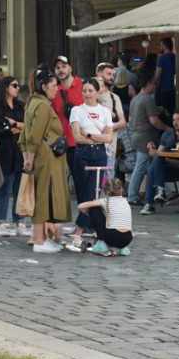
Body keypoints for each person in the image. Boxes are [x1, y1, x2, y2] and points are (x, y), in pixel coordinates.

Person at [21, 68, 72, 254]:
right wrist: (30, 157)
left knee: (42, 196)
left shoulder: (33, 103)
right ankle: (39, 240)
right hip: (46, 157)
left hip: (43, 156)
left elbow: (27, 134)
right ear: (43, 86)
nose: (56, 89)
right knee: (43, 197)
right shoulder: (42, 106)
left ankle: (41, 238)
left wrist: (27, 156)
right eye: (52, 86)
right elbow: (34, 135)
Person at [66, 78, 114, 251]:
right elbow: (77, 136)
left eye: (90, 90)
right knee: (83, 192)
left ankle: (78, 233)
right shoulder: (76, 110)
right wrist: (95, 136)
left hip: (99, 153)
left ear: (97, 92)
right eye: (84, 90)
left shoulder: (105, 111)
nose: (87, 94)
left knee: (92, 194)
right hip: (82, 153)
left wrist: (91, 136)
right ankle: (92, 228)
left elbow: (109, 137)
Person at [127, 71, 171, 215]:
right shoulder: (147, 99)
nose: (155, 86)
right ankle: (133, 196)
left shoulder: (136, 98)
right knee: (141, 167)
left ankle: (148, 193)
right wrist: (167, 128)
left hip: (134, 134)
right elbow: (154, 120)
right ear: (148, 84)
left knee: (147, 167)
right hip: (145, 137)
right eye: (154, 83)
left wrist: (158, 109)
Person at [0, 75, 26, 237]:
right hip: (4, 152)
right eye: (14, 85)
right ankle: (1, 222)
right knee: (4, 188)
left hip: (20, 151)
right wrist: (11, 128)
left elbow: (27, 126)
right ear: (5, 88)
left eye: (18, 86)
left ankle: (19, 221)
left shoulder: (20, 106)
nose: (17, 88)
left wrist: (14, 124)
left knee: (19, 188)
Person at [75, 179, 134, 256]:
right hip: (128, 238)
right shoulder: (125, 201)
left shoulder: (105, 201)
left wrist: (87, 213)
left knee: (94, 209)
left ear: (105, 191)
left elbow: (80, 206)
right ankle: (122, 248)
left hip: (113, 237)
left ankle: (101, 244)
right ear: (121, 189)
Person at [149, 110, 179, 207]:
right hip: (163, 170)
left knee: (151, 170)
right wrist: (152, 148)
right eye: (174, 119)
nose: (175, 122)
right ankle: (159, 192)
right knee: (153, 167)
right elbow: (158, 153)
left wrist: (163, 158)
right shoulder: (167, 135)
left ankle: (150, 204)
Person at [50, 56, 85, 172]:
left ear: (70, 68)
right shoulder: (54, 91)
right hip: (63, 144)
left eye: (64, 66)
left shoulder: (83, 86)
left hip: (82, 142)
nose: (61, 70)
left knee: (82, 182)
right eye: (57, 68)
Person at [95, 62, 128, 182]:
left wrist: (108, 126)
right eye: (109, 74)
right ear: (99, 74)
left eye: (113, 75)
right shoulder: (88, 96)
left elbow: (123, 122)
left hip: (110, 149)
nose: (111, 77)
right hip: (91, 149)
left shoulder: (115, 97)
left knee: (107, 185)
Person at [156, 38, 177, 113]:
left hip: (164, 88)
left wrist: (155, 83)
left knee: (164, 111)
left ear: (164, 46)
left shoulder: (161, 58)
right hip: (174, 88)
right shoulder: (175, 57)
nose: (160, 47)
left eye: (161, 45)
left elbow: (158, 73)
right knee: (172, 110)